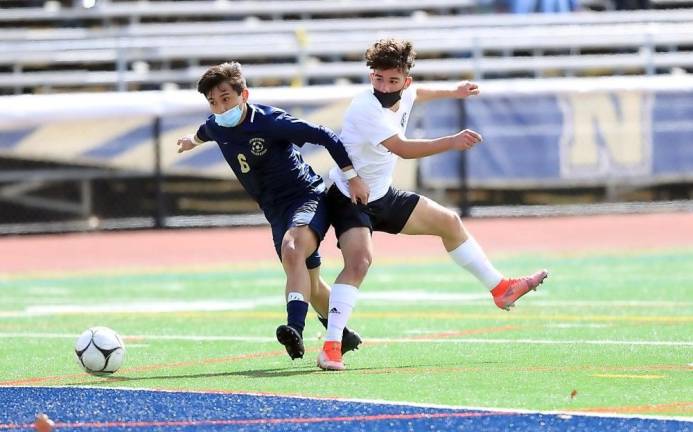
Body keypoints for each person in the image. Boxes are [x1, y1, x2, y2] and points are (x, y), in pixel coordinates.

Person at [317, 38, 548, 371]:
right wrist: (452, 142)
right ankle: (331, 347)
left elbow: (418, 93)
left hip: (382, 193)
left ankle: (501, 289)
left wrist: (453, 92)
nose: (384, 86)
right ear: (371, 77)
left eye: (392, 80)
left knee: (450, 223)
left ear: (404, 81)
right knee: (359, 263)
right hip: (351, 197)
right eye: (378, 78)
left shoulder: (406, 90)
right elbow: (403, 148)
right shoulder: (366, 107)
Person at [176, 62, 369, 361]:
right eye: (213, 102)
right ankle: (342, 334)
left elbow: (325, 135)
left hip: (307, 197)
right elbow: (204, 131)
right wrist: (191, 141)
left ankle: (295, 329)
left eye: (226, 98)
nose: (220, 107)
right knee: (311, 282)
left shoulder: (269, 121)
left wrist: (352, 176)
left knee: (292, 249)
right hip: (276, 211)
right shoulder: (217, 125)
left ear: (244, 94)